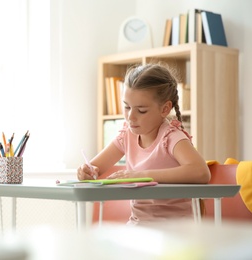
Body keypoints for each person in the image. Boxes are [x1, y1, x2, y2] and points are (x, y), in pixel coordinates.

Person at [77, 63, 211, 225]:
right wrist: (87, 172)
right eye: (127, 107)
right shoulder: (127, 135)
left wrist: (142, 175)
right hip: (138, 226)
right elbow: (95, 169)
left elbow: (201, 172)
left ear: (165, 109)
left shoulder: (171, 137)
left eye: (141, 110)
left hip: (177, 230)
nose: (131, 117)